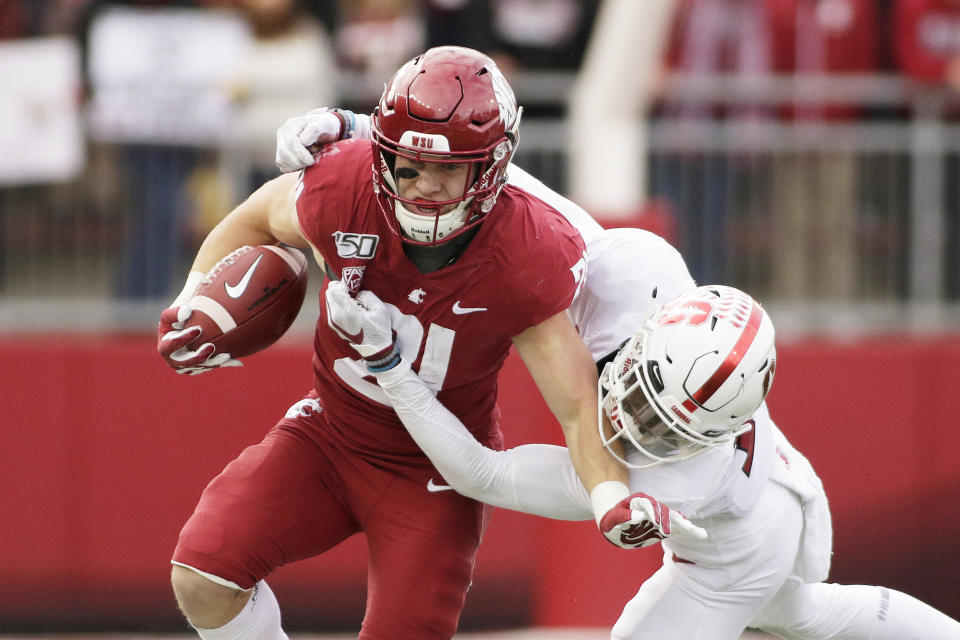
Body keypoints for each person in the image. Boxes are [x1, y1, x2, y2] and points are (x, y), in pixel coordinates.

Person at [156, 46, 628, 640]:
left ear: (491, 167)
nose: (426, 187)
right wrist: (192, 296)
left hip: (435, 470)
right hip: (329, 433)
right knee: (203, 575)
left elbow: (578, 408)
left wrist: (610, 496)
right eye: (409, 165)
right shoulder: (346, 184)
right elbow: (257, 217)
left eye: (450, 168)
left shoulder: (524, 249)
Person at [323, 278, 960, 640]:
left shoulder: (665, 476)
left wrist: (389, 367)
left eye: (666, 426)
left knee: (777, 611)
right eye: (648, 393)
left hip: (737, 552)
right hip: (789, 484)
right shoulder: (642, 275)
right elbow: (541, 210)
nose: (636, 421)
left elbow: (476, 472)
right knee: (802, 614)